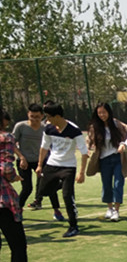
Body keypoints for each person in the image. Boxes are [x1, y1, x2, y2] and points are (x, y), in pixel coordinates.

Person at [0, 109, 49, 262]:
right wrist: (14, 177)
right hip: (2, 200)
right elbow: (6, 168)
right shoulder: (5, 137)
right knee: (18, 245)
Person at [36, 101, 88, 238]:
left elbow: (84, 153)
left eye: (49, 117)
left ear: (57, 116)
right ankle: (62, 185)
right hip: (52, 165)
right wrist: (40, 165)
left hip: (68, 167)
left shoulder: (74, 130)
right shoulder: (49, 129)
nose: (47, 120)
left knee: (67, 196)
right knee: (43, 191)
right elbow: (44, 147)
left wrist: (81, 173)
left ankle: (73, 226)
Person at [12, 103, 62, 219]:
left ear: (42, 116)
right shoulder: (20, 126)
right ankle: (17, 210)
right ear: (28, 115)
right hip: (24, 162)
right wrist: (22, 157)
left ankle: (57, 211)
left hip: (41, 161)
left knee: (49, 185)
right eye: (32, 116)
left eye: (37, 117)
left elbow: (53, 144)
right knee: (27, 188)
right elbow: (12, 144)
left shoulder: (46, 128)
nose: (34, 119)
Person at [86, 103, 127, 222]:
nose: (102, 115)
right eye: (99, 113)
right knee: (106, 184)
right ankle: (109, 208)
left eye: (104, 112)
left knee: (118, 184)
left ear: (109, 112)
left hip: (117, 158)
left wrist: (123, 145)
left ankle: (116, 210)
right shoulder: (95, 126)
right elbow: (89, 140)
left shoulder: (117, 124)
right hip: (104, 159)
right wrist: (87, 149)